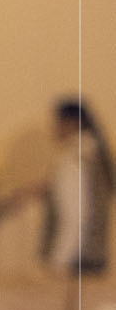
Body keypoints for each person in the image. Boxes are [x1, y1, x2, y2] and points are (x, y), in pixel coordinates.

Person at [41, 97, 112, 277]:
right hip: (92, 256)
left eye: (56, 122)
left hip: (76, 260)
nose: (52, 128)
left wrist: (59, 262)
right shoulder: (92, 152)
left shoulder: (76, 157)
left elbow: (76, 217)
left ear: (72, 123)